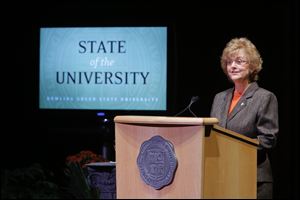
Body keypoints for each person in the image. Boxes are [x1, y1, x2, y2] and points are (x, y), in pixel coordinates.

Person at [210, 37, 279, 199]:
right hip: (222, 178)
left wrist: (235, 150)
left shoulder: (264, 97)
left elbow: (268, 139)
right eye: (229, 62)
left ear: (253, 66)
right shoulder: (219, 98)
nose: (232, 66)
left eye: (239, 61)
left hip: (253, 178)